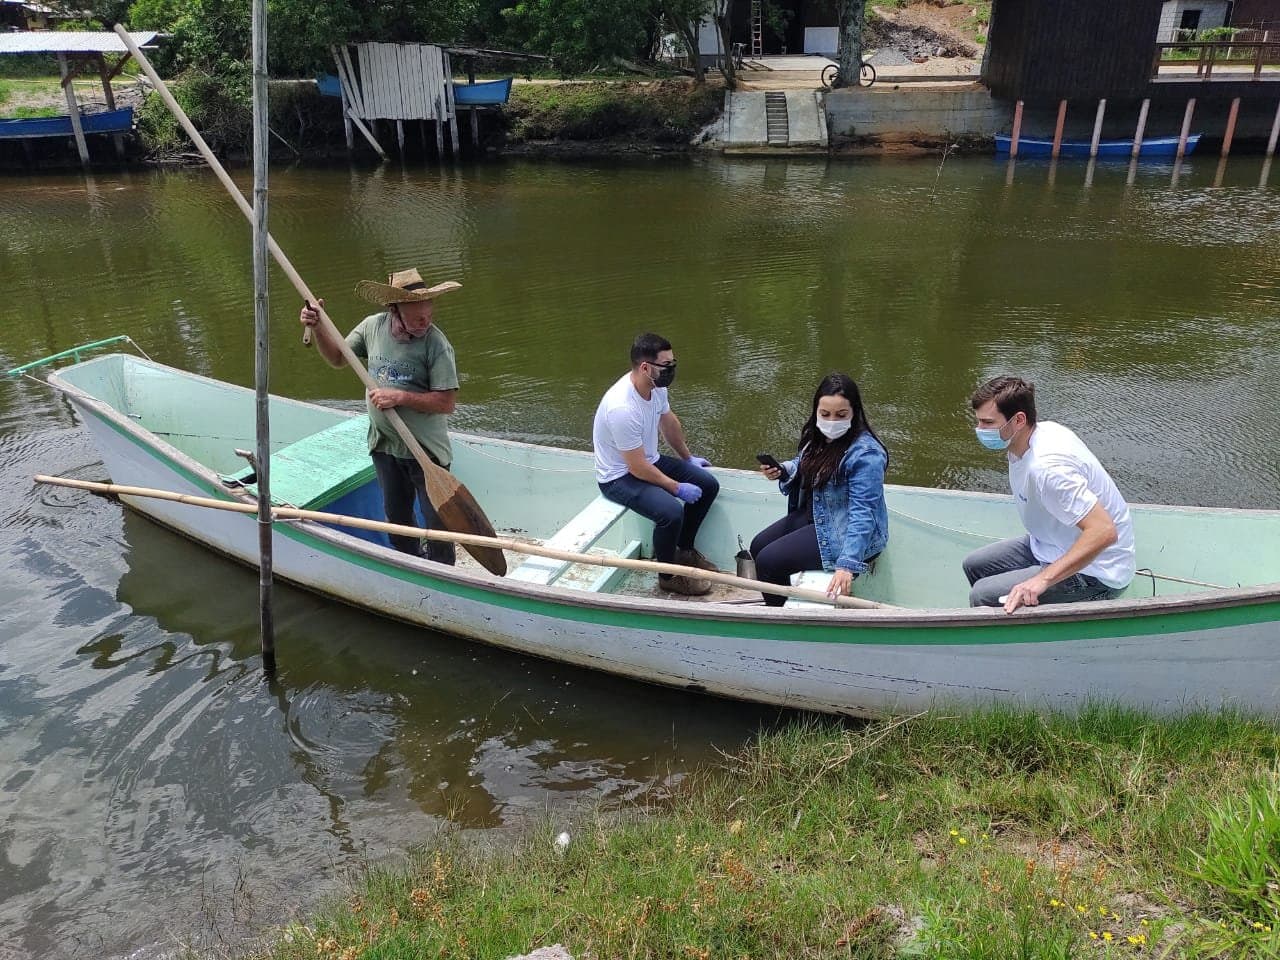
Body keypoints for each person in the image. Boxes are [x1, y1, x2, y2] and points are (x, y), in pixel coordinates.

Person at [299, 267, 461, 565]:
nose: (424, 323)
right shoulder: (372, 327)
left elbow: (446, 402)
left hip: (425, 450)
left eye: (428, 316)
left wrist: (400, 397)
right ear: (394, 310)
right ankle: (412, 564)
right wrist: (320, 327)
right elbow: (337, 358)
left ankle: (444, 571)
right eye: (416, 319)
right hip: (384, 444)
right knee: (397, 519)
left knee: (437, 523)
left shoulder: (436, 345)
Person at [963, 375, 1135, 613]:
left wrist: (1041, 581)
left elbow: (1104, 531)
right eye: (979, 422)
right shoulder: (1031, 437)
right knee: (974, 566)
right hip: (1051, 544)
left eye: (988, 423)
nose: (980, 430)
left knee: (983, 595)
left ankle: (1009, 645)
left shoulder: (1048, 469)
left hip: (1097, 572)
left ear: (1019, 420)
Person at [592, 333, 720, 596]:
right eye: (666, 365)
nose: (671, 370)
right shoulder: (622, 408)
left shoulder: (656, 387)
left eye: (673, 363)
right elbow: (636, 468)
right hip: (619, 476)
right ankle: (668, 576)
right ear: (645, 367)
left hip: (647, 460)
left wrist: (687, 459)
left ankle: (684, 551)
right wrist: (676, 488)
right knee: (671, 514)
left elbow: (669, 422)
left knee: (708, 484)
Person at [751, 373, 889, 607]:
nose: (831, 421)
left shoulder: (866, 454)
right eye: (825, 414)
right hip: (821, 516)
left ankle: (777, 619)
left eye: (841, 415)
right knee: (758, 546)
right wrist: (784, 470)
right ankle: (782, 600)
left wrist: (847, 564)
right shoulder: (818, 438)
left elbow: (863, 512)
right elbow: (802, 462)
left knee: (768, 561)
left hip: (844, 534)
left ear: (854, 413)